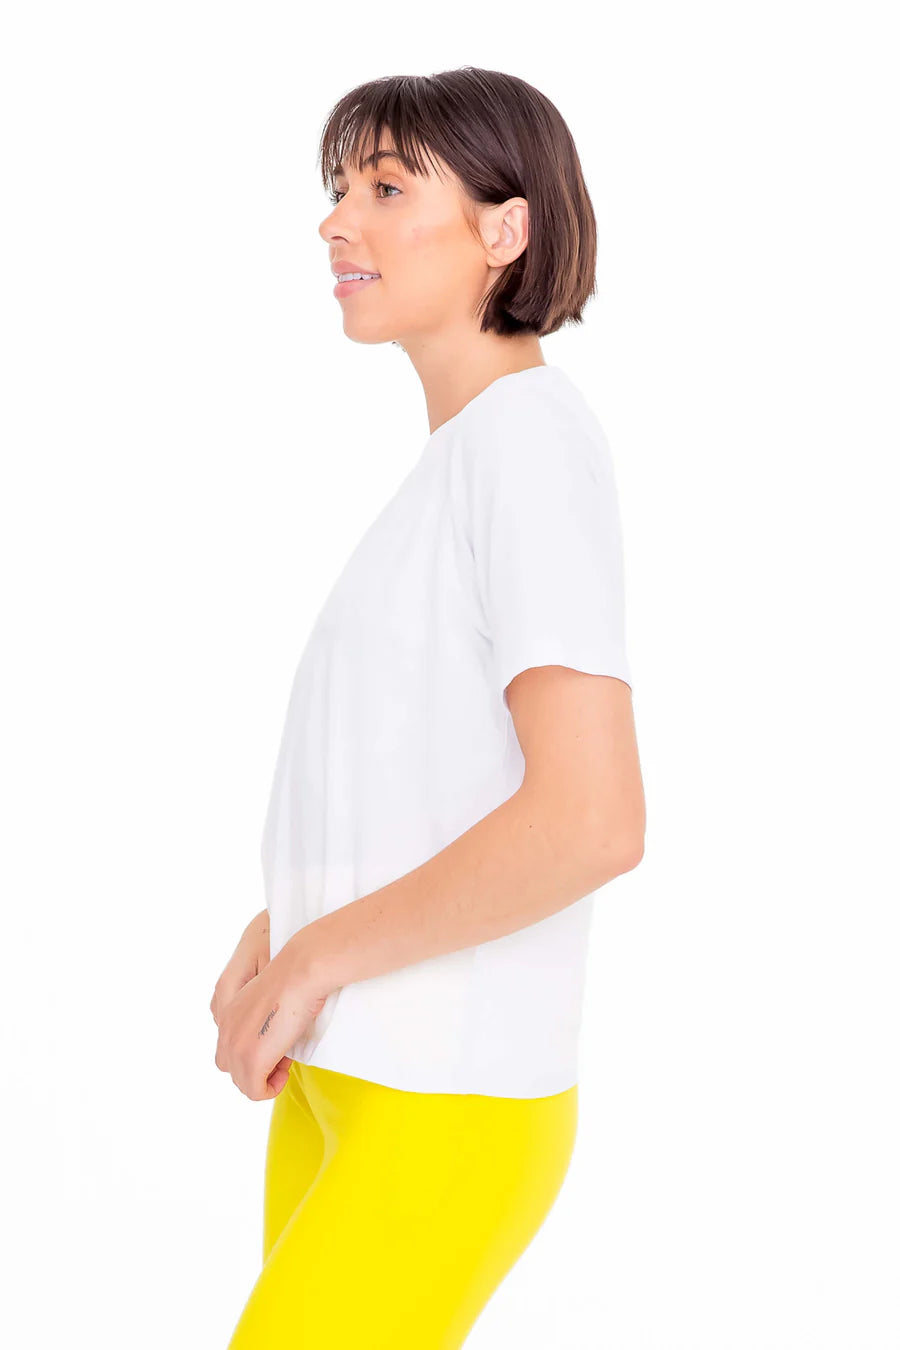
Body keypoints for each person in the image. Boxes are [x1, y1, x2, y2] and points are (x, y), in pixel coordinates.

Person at [211, 65, 646, 1348]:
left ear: (506, 230)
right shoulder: (460, 465)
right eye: (339, 188)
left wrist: (315, 955)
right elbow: (425, 781)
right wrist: (284, 924)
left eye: (388, 188)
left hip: (442, 1094)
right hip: (348, 1074)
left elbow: (592, 820)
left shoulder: (526, 446)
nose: (337, 220)